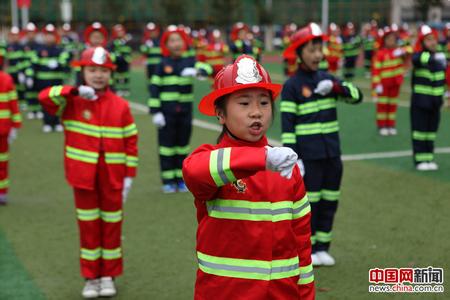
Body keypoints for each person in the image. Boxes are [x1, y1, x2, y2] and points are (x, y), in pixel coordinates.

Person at [183, 54, 314, 300]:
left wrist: (306, 293)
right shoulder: (213, 161)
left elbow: (302, 240)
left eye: (264, 103)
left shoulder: (286, 167)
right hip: (224, 293)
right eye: (244, 104)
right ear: (220, 114)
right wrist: (261, 159)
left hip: (282, 293)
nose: (257, 113)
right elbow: (194, 171)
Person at [38, 46, 138, 298]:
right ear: (82, 71)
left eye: (103, 70)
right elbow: (44, 97)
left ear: (110, 73)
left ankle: (108, 275)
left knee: (112, 226)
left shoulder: (121, 105)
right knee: (89, 227)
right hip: (82, 178)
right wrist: (73, 90)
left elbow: (131, 141)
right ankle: (91, 277)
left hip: (113, 179)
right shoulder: (71, 101)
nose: (98, 75)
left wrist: (129, 177)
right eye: (92, 70)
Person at [281, 23, 363, 266]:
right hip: (310, 158)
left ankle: (323, 248)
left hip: (332, 155)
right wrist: (295, 158)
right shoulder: (292, 86)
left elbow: (357, 96)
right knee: (310, 206)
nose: (318, 55)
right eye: (312, 50)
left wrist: (337, 87)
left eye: (320, 49)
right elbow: (288, 126)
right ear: (299, 54)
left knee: (330, 201)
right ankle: (308, 249)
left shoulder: (328, 79)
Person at [149, 26, 212, 193]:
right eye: (172, 40)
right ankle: (168, 180)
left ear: (184, 43)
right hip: (166, 113)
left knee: (182, 146)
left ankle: (180, 179)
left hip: (185, 112)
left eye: (179, 40)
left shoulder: (190, 60)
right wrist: (155, 112)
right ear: (167, 45)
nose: (176, 44)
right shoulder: (162, 64)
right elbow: (154, 88)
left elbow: (208, 69)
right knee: (167, 147)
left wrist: (197, 71)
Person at [410, 25, 446, 171]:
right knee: (420, 132)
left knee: (431, 132)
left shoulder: (439, 60)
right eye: (428, 40)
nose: (432, 42)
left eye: (434, 39)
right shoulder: (420, 56)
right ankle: (420, 160)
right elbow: (419, 59)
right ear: (423, 43)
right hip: (420, 103)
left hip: (435, 104)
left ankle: (428, 158)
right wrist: (434, 57)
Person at [26, 24, 69, 133]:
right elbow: (33, 65)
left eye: (51, 35)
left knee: (58, 103)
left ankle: (57, 122)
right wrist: (29, 77)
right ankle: (47, 123)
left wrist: (58, 63)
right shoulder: (39, 50)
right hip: (43, 82)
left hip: (57, 82)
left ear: (55, 37)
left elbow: (65, 61)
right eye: (47, 35)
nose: (49, 38)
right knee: (46, 103)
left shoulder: (60, 50)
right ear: (44, 36)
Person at [372, 25, 409, 136]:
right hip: (383, 85)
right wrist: (377, 84)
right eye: (389, 39)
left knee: (392, 105)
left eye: (393, 39)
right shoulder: (380, 54)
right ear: (384, 41)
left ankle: (391, 125)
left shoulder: (398, 51)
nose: (391, 41)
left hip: (395, 84)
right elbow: (376, 70)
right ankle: (382, 125)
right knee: (382, 106)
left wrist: (403, 52)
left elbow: (410, 52)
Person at [0, 68, 22, 205]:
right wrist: (16, 124)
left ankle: (2, 192)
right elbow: (13, 103)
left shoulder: (6, 79)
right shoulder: (6, 78)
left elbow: (13, 102)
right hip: (3, 128)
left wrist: (16, 124)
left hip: (3, 129)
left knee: (2, 161)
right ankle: (2, 193)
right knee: (2, 162)